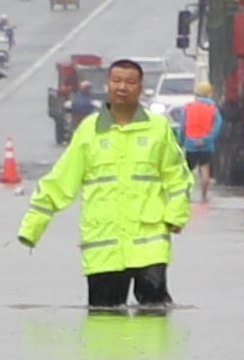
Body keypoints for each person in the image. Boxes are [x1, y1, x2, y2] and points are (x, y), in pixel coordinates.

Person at [17, 58, 191, 309]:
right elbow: (60, 181)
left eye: (130, 82)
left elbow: (178, 176)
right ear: (107, 85)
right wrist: (32, 227)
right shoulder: (89, 131)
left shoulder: (158, 128)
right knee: (103, 318)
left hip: (149, 241)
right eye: (117, 81)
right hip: (103, 244)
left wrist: (176, 215)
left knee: (154, 313)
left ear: (140, 88)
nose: (122, 87)